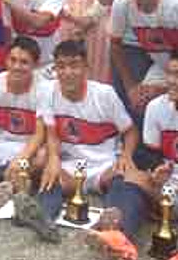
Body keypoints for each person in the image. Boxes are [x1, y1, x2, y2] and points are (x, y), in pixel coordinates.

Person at [89, 45, 178, 260]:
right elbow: (149, 153)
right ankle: (118, 238)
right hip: (164, 189)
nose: (170, 80)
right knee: (129, 176)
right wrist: (156, 168)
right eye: (169, 73)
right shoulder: (157, 106)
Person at [36, 40, 137, 223]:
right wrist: (53, 158)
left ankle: (114, 228)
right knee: (51, 176)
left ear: (86, 67)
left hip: (104, 165)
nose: (67, 72)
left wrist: (126, 156)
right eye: (61, 66)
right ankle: (42, 220)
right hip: (70, 164)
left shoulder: (105, 94)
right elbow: (51, 132)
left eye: (74, 65)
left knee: (123, 181)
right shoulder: (46, 91)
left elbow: (130, 131)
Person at [0, 37, 48, 191]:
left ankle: (2, 179)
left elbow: (40, 134)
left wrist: (21, 159)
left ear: (36, 65)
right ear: (6, 60)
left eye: (24, 62)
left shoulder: (45, 89)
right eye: (12, 60)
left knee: (44, 156)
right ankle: (7, 179)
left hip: (27, 147)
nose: (16, 66)